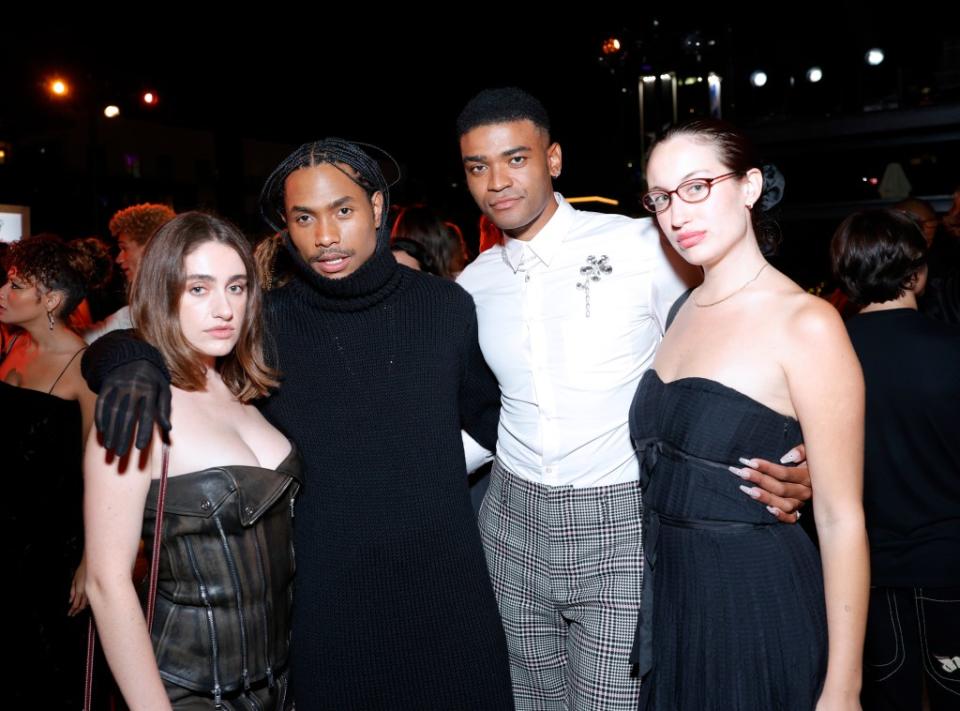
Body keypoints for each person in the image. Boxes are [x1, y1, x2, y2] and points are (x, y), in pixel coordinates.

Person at [82, 139, 513, 710]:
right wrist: (129, 363)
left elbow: (493, 421)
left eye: (343, 210)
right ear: (285, 228)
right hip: (322, 613)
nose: (326, 236)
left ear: (378, 208)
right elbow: (155, 331)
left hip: (443, 594)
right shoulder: (269, 321)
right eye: (303, 218)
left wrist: (420, 478)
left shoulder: (446, 308)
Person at [454, 87, 814, 709]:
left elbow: (735, 342)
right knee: (526, 699)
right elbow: (472, 410)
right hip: (509, 522)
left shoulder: (642, 246)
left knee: (613, 701)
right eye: (477, 166)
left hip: (619, 521)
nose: (497, 181)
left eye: (516, 158)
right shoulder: (472, 283)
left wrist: (796, 452)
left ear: (554, 159)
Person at [632, 118, 869, 709]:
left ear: (750, 186)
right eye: (661, 198)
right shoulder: (683, 309)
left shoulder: (807, 323)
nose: (676, 214)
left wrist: (844, 686)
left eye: (696, 187)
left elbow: (843, 520)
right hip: (676, 604)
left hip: (756, 605)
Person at [84, 212, 296, 709]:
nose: (224, 308)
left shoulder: (247, 390)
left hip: (280, 685)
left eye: (237, 287)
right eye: (198, 289)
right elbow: (107, 582)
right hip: (187, 691)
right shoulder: (140, 402)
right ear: (163, 292)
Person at [831, 208, 960, 710]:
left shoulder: (826, 352)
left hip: (865, 574)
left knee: (887, 700)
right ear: (918, 271)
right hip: (950, 564)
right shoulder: (952, 350)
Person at [0, 235, 98, 709]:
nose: (3, 291)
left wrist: (90, 563)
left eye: (16, 284)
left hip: (48, 552)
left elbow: (101, 475)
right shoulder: (14, 344)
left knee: (40, 675)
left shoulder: (85, 369)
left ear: (52, 300)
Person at [84, 202, 175, 342]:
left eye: (124, 248)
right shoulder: (131, 315)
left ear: (150, 248)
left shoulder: (186, 305)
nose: (118, 259)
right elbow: (86, 341)